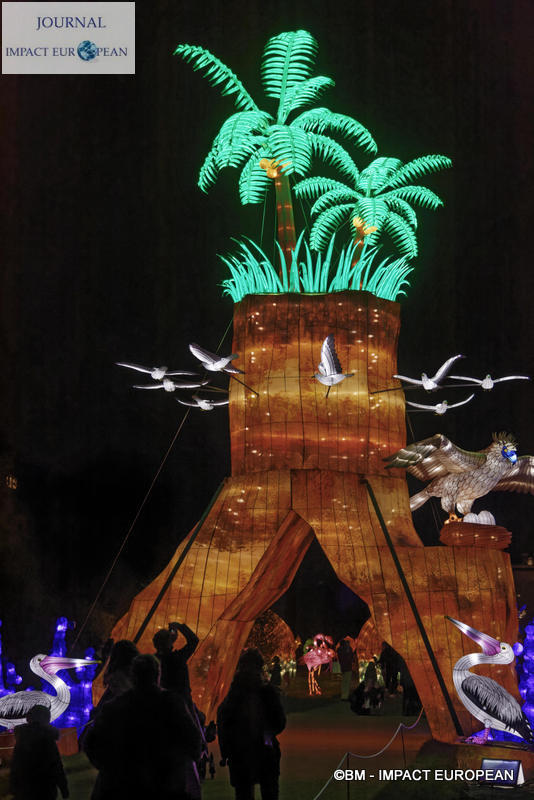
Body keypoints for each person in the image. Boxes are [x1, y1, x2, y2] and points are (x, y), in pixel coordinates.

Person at [84, 654, 202, 800]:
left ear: (133, 676)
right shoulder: (172, 703)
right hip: (165, 784)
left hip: (125, 786)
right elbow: (194, 741)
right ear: (157, 675)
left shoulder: (115, 707)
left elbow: (91, 743)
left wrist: (109, 768)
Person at [217, 649, 286, 800]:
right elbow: (280, 722)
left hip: (240, 754)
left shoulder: (233, 695)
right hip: (266, 752)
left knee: (244, 793)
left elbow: (223, 724)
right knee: (269, 792)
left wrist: (226, 752)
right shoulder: (268, 692)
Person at [9, 704, 69, 800]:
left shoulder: (22, 738)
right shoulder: (48, 738)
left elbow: (16, 764)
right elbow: (56, 765)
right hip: (45, 788)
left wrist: (13, 786)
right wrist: (63, 787)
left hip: (25, 788)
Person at [153, 621, 199, 702]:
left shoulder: (152, 660)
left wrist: (170, 640)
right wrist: (180, 627)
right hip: (181, 702)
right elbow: (193, 640)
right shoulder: (178, 658)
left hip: (161, 701)